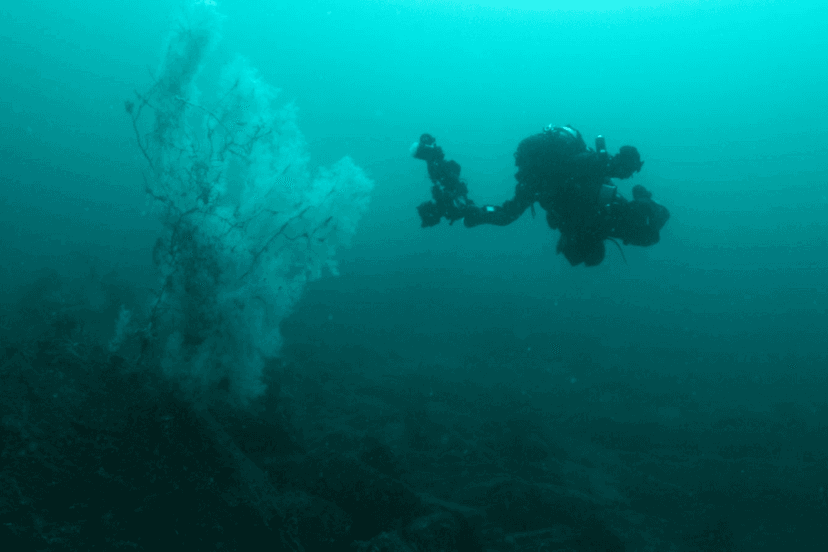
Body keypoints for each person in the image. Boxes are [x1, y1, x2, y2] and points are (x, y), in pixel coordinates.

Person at [411, 125, 670, 266]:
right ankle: (439, 166)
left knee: (504, 216)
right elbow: (597, 166)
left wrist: (473, 214)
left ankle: (437, 165)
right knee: (647, 231)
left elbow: (504, 215)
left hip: (567, 190)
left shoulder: (561, 185)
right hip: (576, 189)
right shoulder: (556, 182)